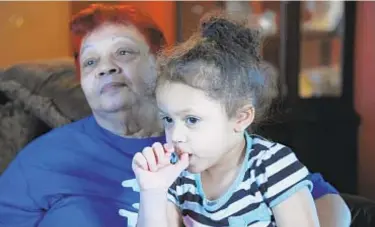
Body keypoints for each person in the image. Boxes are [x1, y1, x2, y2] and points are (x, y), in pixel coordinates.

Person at [0, 3, 350, 227]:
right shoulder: (45, 157)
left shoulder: (208, 148)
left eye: (123, 52)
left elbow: (324, 199)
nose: (105, 68)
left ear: (159, 63)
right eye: (90, 61)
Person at [132, 13, 321, 227]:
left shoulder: (271, 167)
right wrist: (153, 192)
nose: (175, 136)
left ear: (240, 118)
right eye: (168, 119)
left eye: (192, 120)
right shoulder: (177, 175)